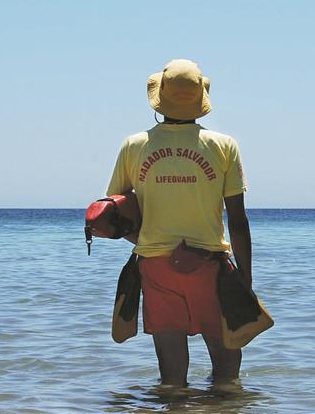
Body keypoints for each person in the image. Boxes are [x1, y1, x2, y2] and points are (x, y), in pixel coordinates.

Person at [106, 59, 252, 387]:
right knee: (227, 376)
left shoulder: (134, 145)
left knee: (171, 381)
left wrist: (151, 242)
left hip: (156, 268)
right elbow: (239, 222)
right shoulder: (224, 146)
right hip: (210, 266)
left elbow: (111, 215)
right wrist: (245, 280)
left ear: (161, 100)